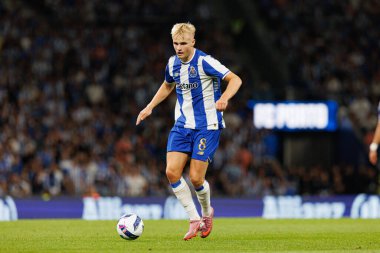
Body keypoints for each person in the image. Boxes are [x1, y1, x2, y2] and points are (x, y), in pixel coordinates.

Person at [136, 22, 242, 240]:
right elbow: (167, 85)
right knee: (171, 172)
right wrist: (149, 107)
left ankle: (206, 213)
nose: (179, 47)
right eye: (175, 43)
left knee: (195, 178)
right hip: (182, 125)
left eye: (183, 43)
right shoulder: (172, 64)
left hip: (207, 126)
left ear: (193, 42)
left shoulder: (205, 61)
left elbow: (235, 79)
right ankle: (194, 220)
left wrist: (224, 98)